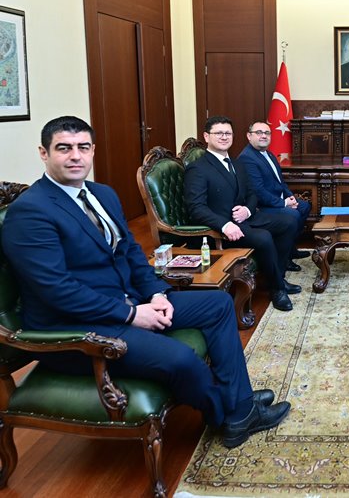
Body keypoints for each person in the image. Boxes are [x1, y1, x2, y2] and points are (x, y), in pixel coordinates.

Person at [1, 115, 291, 448]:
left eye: (83, 147)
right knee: (183, 360)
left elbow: (131, 254)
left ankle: (239, 408)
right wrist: (132, 315)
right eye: (63, 148)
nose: (75, 156)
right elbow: (57, 290)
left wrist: (155, 294)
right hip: (77, 326)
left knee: (217, 302)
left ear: (93, 150)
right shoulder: (31, 212)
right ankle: (232, 414)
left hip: (129, 301)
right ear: (43, 153)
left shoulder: (102, 194)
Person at [184, 116, 299, 311]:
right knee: (264, 237)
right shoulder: (198, 168)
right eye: (218, 133)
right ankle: (277, 289)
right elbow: (196, 208)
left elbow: (251, 194)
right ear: (206, 136)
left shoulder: (237, 163)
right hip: (221, 228)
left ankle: (277, 276)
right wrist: (224, 225)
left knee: (289, 221)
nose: (224, 137)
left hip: (246, 218)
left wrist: (247, 209)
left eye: (228, 133)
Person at [237, 121, 311, 271]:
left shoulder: (268, 154)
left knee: (304, 206)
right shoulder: (247, 158)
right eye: (259, 132)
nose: (263, 136)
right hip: (261, 206)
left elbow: (280, 182)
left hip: (276, 200)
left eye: (267, 133)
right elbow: (258, 192)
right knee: (293, 215)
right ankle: (282, 261)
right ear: (249, 136)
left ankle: (290, 250)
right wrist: (284, 204)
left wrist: (291, 198)